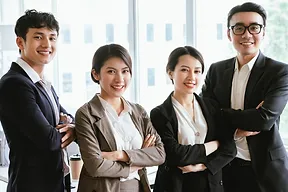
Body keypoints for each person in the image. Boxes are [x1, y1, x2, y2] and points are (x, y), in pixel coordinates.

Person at [201, 2, 288, 192]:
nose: (247, 34)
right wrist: (239, 126)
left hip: (265, 172)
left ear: (263, 32)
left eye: (254, 27)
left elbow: (262, 120)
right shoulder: (216, 70)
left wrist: (221, 114)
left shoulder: (279, 72)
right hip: (224, 167)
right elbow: (204, 117)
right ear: (229, 33)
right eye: (239, 28)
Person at [0, 9, 76, 192]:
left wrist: (72, 127)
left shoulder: (41, 83)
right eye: (38, 37)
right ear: (20, 41)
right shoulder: (15, 84)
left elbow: (69, 118)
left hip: (53, 183)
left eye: (52, 37)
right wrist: (72, 131)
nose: (46, 44)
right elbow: (49, 140)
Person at [74, 43, 165, 192]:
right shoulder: (86, 114)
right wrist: (139, 160)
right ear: (96, 74)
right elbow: (95, 166)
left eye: (125, 71)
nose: (120, 79)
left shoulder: (138, 111)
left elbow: (160, 154)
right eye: (111, 71)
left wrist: (119, 155)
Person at [150, 46, 236, 192]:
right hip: (175, 186)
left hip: (211, 184)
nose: (192, 77)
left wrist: (203, 166)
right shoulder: (159, 113)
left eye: (197, 71)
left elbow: (229, 148)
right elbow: (175, 154)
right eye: (184, 70)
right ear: (170, 73)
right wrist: (213, 145)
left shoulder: (212, 107)